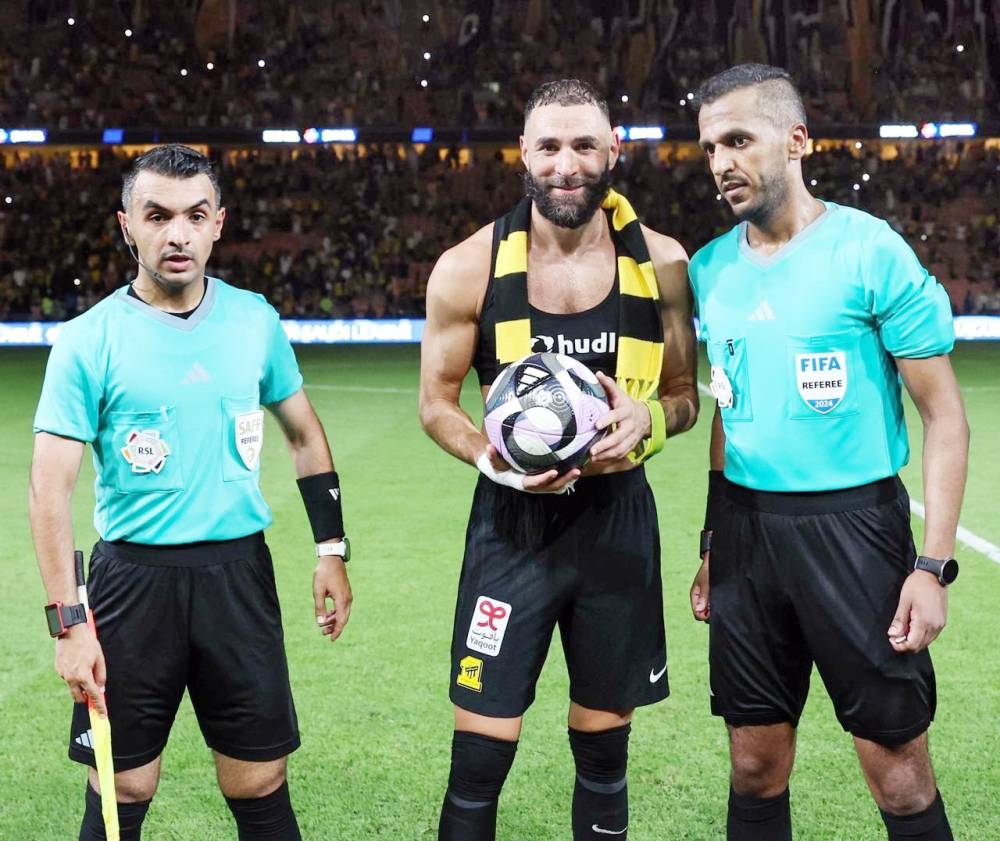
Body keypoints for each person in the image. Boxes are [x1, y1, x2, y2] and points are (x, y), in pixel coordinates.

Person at [29, 144, 353, 841]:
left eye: (194, 216)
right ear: (127, 225)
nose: (177, 233)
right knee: (123, 783)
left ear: (218, 224)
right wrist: (70, 625)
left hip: (239, 576)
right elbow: (49, 490)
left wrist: (331, 548)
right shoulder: (86, 340)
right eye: (158, 216)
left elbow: (303, 434)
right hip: (131, 584)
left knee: (259, 778)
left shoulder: (254, 320)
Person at [687, 65, 969, 841]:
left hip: (856, 532)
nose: (720, 163)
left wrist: (932, 565)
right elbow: (727, 408)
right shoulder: (709, 270)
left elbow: (945, 416)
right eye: (709, 148)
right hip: (746, 534)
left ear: (797, 140)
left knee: (898, 771)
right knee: (753, 763)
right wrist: (712, 540)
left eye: (738, 140)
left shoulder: (870, 251)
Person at [418, 79, 698, 841]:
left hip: (617, 522)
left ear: (614, 150)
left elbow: (684, 396)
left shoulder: (665, 264)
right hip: (512, 525)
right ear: (523, 153)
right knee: (479, 757)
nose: (566, 164)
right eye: (549, 146)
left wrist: (647, 420)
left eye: (583, 145)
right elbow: (436, 402)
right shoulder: (469, 266)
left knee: (604, 752)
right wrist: (492, 458)